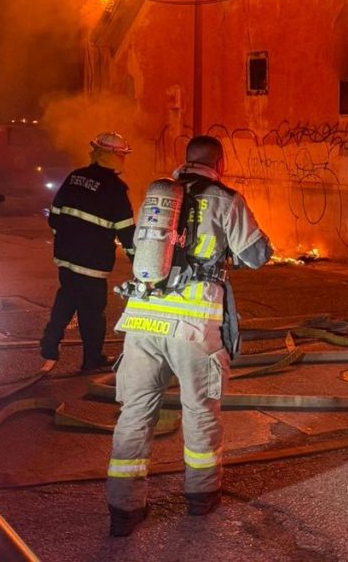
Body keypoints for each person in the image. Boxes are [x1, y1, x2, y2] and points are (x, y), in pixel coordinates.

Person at [106, 135, 272, 537]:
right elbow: (257, 255)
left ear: (186, 162)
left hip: (142, 321)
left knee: (135, 412)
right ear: (221, 164)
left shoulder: (160, 195)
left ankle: (124, 509)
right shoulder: (227, 198)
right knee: (199, 410)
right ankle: (201, 496)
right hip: (193, 326)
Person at [39, 132, 135, 374]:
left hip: (65, 257)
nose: (124, 159)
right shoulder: (115, 189)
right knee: (92, 312)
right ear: (115, 156)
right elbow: (126, 233)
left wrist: (69, 236)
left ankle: (49, 345)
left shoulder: (75, 177)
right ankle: (91, 360)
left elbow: (54, 215)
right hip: (92, 262)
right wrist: (141, 263)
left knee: (67, 297)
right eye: (122, 155)